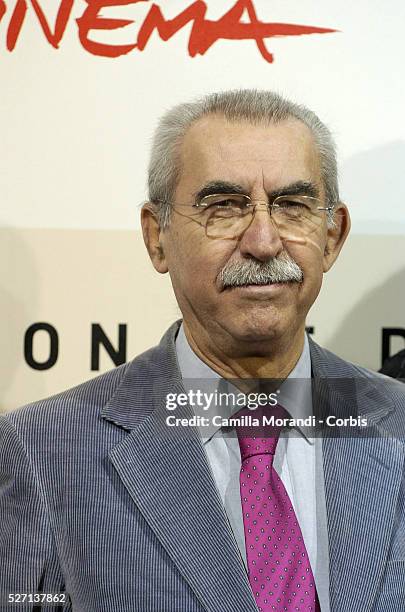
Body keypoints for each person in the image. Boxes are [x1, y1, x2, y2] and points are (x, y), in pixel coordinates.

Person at [1, 89, 404, 612]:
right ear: (157, 238)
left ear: (332, 236)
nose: (263, 241)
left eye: (292, 206)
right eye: (224, 207)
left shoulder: (396, 421)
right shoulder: (39, 453)